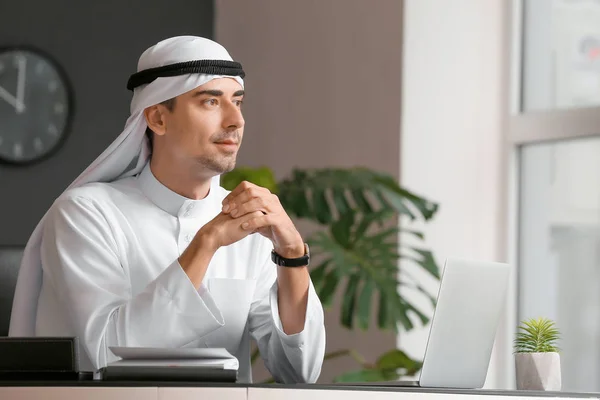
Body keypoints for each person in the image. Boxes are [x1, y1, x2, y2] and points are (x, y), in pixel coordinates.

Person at [8, 36, 326, 384]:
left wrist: (292, 255)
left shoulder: (252, 226)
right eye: (210, 102)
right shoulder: (86, 214)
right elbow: (104, 357)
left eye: (238, 101)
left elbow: (299, 373)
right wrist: (206, 243)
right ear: (158, 118)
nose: (236, 120)